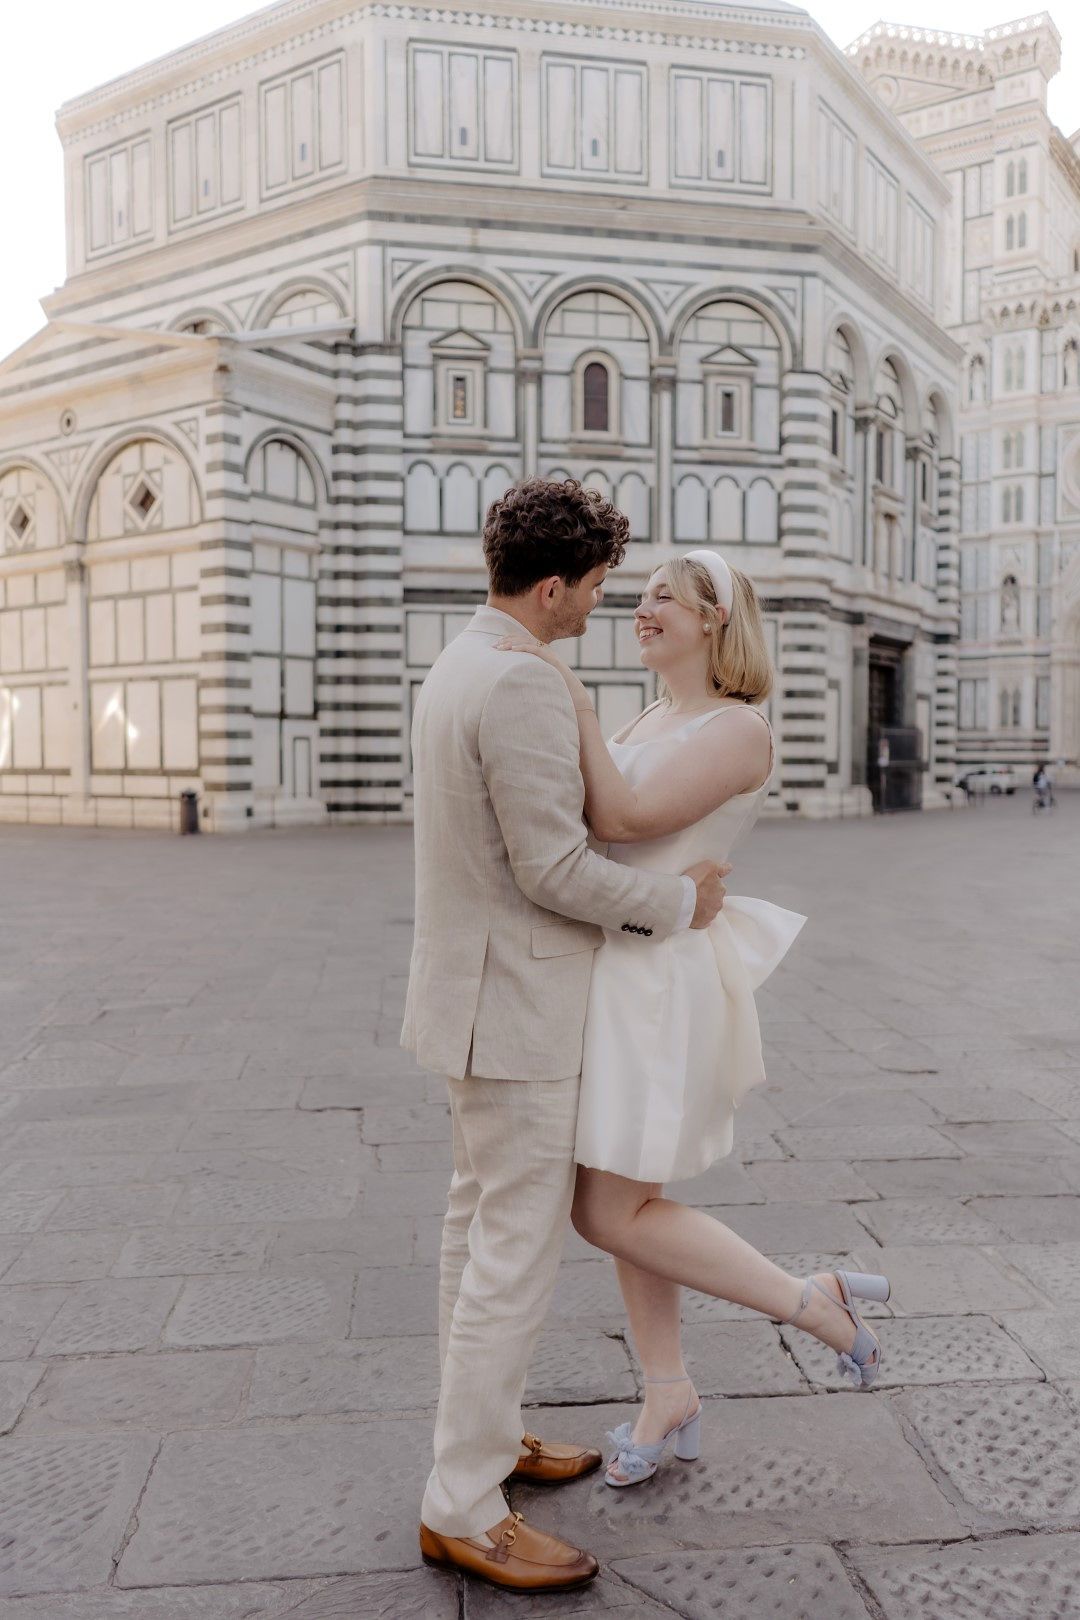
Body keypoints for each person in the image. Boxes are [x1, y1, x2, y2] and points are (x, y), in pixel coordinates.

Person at [495, 548, 891, 1490]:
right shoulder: (654, 713)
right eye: (637, 597)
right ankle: (667, 1390)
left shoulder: (738, 730)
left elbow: (622, 818)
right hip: (625, 965)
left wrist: (571, 706)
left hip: (659, 985)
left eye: (663, 597)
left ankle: (812, 1301)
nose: (642, 610)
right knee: (634, 1206)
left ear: (715, 617)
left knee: (609, 1209)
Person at [401, 478, 729, 1595]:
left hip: (465, 998)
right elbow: (553, 867)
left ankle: (483, 1447)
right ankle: (461, 1503)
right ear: (551, 586)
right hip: (522, 1009)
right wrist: (682, 902)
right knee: (510, 1260)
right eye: (591, 587)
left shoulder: (462, 660)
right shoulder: (528, 685)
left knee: (473, 1235)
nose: (598, 604)